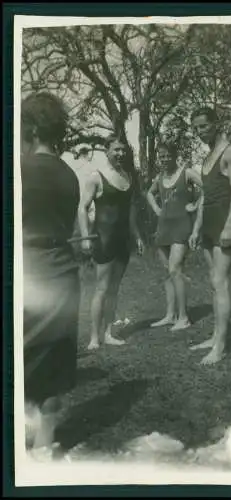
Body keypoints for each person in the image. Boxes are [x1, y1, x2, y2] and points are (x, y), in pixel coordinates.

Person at [21, 92, 81, 451]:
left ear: (29, 127)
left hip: (28, 272)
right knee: (54, 367)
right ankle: (44, 445)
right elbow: (69, 227)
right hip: (63, 272)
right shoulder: (70, 174)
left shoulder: (21, 168)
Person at [189, 107, 231, 365]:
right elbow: (205, 197)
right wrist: (197, 227)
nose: (200, 132)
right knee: (213, 282)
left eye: (203, 126)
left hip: (224, 221)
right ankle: (214, 336)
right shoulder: (207, 157)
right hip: (209, 223)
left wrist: (230, 225)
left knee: (220, 281)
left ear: (215, 123)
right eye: (196, 128)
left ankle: (220, 346)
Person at [78, 134, 144, 350]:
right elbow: (82, 208)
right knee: (102, 288)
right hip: (103, 239)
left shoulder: (128, 177)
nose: (120, 154)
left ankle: (108, 333)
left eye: (123, 150)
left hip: (123, 240)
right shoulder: (96, 177)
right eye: (116, 150)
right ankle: (94, 337)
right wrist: (86, 237)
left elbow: (132, 210)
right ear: (106, 151)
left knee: (114, 289)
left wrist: (137, 235)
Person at [147, 142, 202, 331]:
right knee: (168, 272)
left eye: (167, 156)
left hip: (181, 226)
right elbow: (149, 193)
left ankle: (184, 317)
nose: (164, 159)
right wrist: (156, 208)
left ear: (174, 155)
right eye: (161, 156)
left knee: (175, 269)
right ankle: (170, 315)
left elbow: (207, 188)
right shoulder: (160, 177)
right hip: (163, 227)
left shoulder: (187, 172)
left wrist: (194, 205)